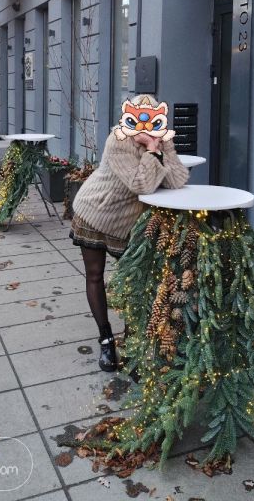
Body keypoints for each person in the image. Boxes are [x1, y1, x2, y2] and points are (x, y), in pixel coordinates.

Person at [70, 94, 189, 372]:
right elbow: (142, 184)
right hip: (95, 212)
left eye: (153, 119)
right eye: (138, 118)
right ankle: (106, 340)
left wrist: (157, 147)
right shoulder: (118, 140)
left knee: (137, 283)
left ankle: (133, 346)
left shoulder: (162, 139)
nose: (146, 125)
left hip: (127, 224)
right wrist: (152, 152)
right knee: (95, 275)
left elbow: (177, 180)